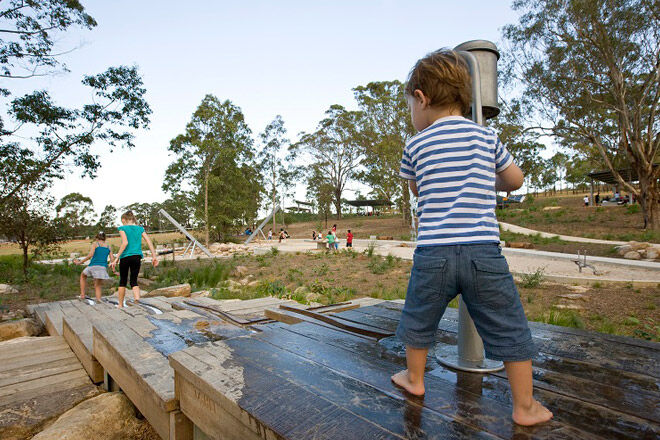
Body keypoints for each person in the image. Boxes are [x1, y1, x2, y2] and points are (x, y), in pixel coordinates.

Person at [391, 49, 552, 427]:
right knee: (509, 324)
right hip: (483, 252)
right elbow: (515, 180)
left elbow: (416, 189)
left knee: (419, 317)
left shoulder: (415, 145)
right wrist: (487, 179)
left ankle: (414, 379)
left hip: (433, 253)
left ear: (421, 98)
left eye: (410, 106)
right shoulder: (486, 137)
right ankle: (525, 406)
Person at [110, 211, 158, 308]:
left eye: (122, 221)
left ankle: (120, 305)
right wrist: (154, 256)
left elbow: (125, 243)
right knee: (134, 281)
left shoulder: (122, 228)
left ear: (124, 219)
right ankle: (138, 303)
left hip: (125, 257)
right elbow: (149, 241)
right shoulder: (140, 229)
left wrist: (116, 258)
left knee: (122, 281)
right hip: (137, 257)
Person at [74, 232, 116, 301]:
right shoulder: (109, 247)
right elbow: (112, 260)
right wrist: (114, 270)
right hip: (102, 267)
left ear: (96, 238)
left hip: (92, 266)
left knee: (83, 276)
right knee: (98, 285)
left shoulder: (95, 244)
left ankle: (82, 295)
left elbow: (90, 255)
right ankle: (99, 300)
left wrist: (80, 262)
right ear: (105, 238)